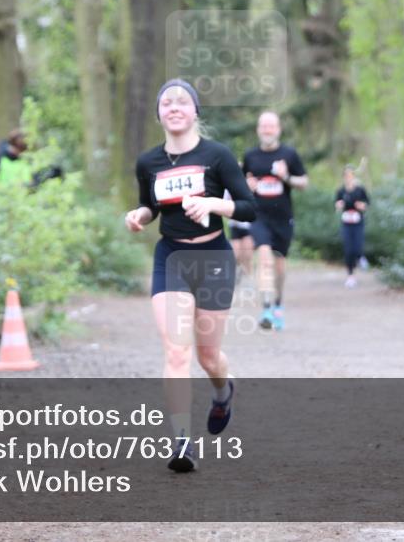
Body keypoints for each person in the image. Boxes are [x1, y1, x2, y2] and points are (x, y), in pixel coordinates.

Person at [124, 78, 256, 473]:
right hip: (172, 258)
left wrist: (213, 204)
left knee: (208, 355)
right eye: (167, 102)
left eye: (183, 101)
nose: (175, 107)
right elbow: (151, 205)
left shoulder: (217, 156)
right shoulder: (148, 162)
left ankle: (223, 390)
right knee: (176, 350)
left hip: (214, 256)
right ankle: (182, 441)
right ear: (159, 114)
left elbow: (248, 207)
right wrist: (139, 216)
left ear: (196, 111)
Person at [242, 111, 308, 330]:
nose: (267, 130)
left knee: (279, 265)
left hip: (283, 217)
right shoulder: (250, 156)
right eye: (263, 126)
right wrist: (246, 187)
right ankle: (267, 307)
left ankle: (278, 304)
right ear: (258, 130)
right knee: (264, 258)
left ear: (278, 129)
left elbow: (304, 182)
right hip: (259, 216)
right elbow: (242, 183)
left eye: (271, 126)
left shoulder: (289, 154)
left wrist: (286, 176)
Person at [335, 165, 370, 288]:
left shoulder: (360, 190)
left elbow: (367, 204)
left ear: (353, 176)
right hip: (346, 223)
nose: (348, 177)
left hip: (358, 223)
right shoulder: (341, 191)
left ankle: (360, 257)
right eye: (346, 175)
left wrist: (362, 206)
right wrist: (339, 206)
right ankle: (350, 276)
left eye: (350, 175)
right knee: (348, 250)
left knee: (358, 246)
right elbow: (337, 205)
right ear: (344, 177)